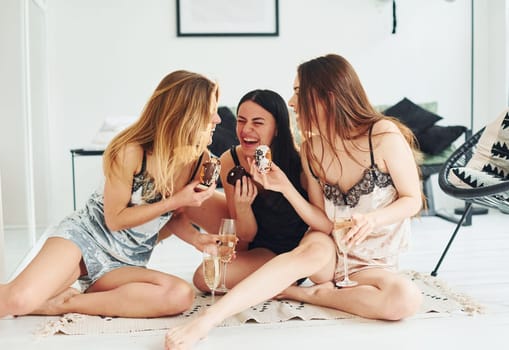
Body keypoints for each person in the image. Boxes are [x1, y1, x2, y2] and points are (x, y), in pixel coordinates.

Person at [165, 54, 423, 350]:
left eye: (298, 92)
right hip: (327, 249)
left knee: (405, 299)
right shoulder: (313, 148)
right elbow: (323, 222)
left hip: (372, 259)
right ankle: (207, 321)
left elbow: (412, 200)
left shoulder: (384, 136)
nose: (291, 101)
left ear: (326, 97)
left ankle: (305, 294)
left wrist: (373, 219)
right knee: (309, 251)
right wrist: (285, 187)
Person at [0, 70, 227, 320]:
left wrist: (197, 239)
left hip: (126, 262)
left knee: (179, 295)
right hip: (85, 238)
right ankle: (41, 299)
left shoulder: (202, 162)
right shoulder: (130, 151)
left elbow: (172, 217)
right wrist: (178, 199)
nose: (217, 119)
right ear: (184, 115)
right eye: (210, 111)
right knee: (18, 299)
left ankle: (63, 304)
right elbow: (115, 219)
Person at [192, 89, 309, 292]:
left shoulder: (300, 164)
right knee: (207, 276)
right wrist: (242, 206)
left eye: (257, 123)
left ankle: (283, 279)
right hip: (254, 244)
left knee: (203, 278)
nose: (246, 129)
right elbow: (245, 236)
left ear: (277, 128)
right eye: (241, 120)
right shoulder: (231, 160)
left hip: (286, 252)